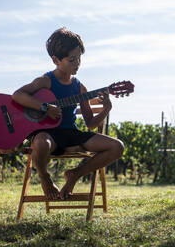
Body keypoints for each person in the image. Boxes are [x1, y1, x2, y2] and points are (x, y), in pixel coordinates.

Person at [12, 27, 124, 200]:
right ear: (56, 60)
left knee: (117, 147)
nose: (77, 63)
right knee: (41, 143)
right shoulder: (46, 81)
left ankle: (75, 174)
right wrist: (44, 108)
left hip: (71, 134)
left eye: (79, 58)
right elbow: (17, 95)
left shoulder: (80, 88)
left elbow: (90, 124)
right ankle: (45, 177)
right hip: (48, 135)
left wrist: (106, 109)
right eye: (72, 59)